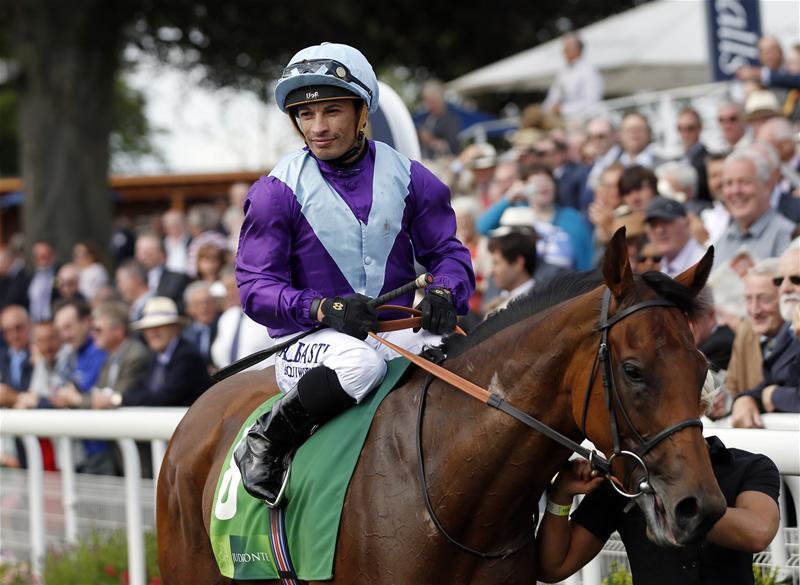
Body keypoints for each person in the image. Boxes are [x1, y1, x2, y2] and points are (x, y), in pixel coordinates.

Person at [234, 42, 475, 505]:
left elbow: (447, 252)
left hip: (392, 329)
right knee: (359, 365)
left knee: (466, 353)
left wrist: (446, 291)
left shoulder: (412, 178)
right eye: (305, 114)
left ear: (363, 111)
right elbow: (255, 289)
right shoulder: (275, 192)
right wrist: (322, 307)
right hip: (308, 340)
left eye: (332, 111)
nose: (318, 127)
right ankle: (266, 439)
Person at [535, 379, 781, 585]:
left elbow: (757, 533)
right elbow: (554, 567)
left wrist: (670, 501)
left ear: (700, 406)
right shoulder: (623, 478)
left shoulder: (749, 466)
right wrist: (561, 495)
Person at [731, 244, 800, 426]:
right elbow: (770, 382)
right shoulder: (790, 330)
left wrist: (774, 396)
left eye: (796, 279)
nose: (785, 288)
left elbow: (774, 390)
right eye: (780, 281)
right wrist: (747, 399)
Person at [121, 297, 210, 407]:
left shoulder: (187, 356)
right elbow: (139, 388)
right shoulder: (156, 357)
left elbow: (164, 398)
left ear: (175, 327)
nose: (152, 333)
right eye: (148, 328)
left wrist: (121, 399)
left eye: (159, 326)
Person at [715, 148, 795, 267]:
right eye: (728, 183)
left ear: (767, 185)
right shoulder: (722, 240)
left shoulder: (788, 237)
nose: (735, 191)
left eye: (744, 182)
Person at [88, 301, 151, 409]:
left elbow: (119, 396)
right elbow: (98, 394)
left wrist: (77, 399)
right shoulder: (108, 358)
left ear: (118, 331)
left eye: (98, 330)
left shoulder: (135, 356)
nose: (92, 334)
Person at [542, 33, 603, 118]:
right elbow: (552, 97)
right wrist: (546, 110)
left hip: (581, 119)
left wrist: (563, 109)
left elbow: (591, 102)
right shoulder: (562, 71)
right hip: (560, 118)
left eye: (566, 48)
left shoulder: (589, 71)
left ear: (577, 50)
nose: (563, 52)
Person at [643, 197, 705, 278]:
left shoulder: (704, 264)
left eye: (666, 221)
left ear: (686, 222)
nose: (659, 230)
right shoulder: (663, 268)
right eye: (653, 225)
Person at [484, 231, 537, 313]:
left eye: (496, 263)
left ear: (518, 263)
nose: (491, 271)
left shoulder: (537, 302)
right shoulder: (496, 298)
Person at [135, 233, 191, 307]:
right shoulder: (131, 280)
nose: (144, 256)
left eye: (149, 251)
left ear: (162, 254)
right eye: (140, 250)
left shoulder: (178, 280)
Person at [417, 79, 462, 159]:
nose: (427, 105)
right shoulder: (428, 118)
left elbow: (452, 148)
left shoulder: (451, 120)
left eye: (430, 101)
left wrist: (431, 141)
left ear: (438, 99)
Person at [677, 107, 711, 202]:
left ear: (700, 128)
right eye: (680, 128)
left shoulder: (707, 159)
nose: (685, 133)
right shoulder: (681, 158)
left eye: (690, 128)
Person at [27, 240, 59, 323]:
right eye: (39, 255)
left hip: (53, 320)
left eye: (46, 255)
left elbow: (58, 291)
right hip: (34, 322)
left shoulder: (58, 274)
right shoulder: (30, 277)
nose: (43, 259)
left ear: (53, 255)